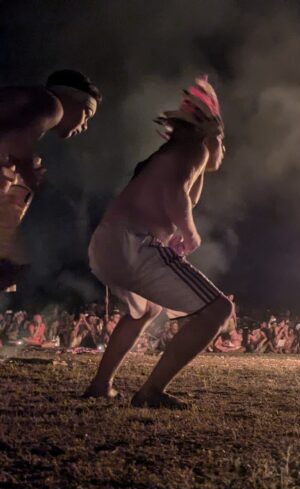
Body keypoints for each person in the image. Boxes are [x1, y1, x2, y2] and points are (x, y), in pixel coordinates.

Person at [83, 76, 232, 409]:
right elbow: (174, 193)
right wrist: (190, 233)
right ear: (209, 133)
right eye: (222, 139)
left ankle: (100, 385)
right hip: (132, 242)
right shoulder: (194, 148)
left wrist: (175, 230)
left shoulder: (173, 152)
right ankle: (150, 392)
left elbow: (170, 191)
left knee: (143, 311)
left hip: (107, 243)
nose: (224, 148)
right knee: (219, 309)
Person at [0, 70, 101, 291]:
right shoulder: (52, 104)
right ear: (72, 100)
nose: (85, 126)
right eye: (87, 114)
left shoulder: (34, 106)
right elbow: (14, 143)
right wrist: (31, 175)